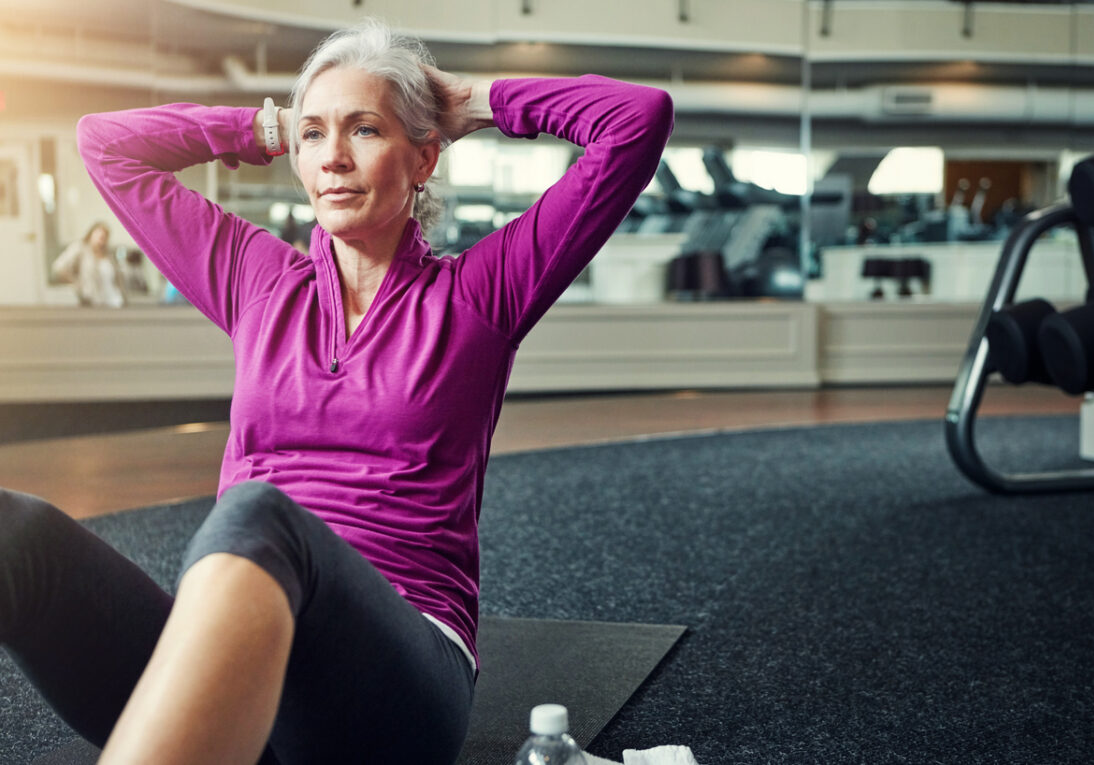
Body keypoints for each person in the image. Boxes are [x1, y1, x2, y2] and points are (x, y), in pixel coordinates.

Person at [0, 18, 672, 765]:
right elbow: (105, 144)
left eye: (365, 130)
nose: (335, 159)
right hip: (240, 655)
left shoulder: (481, 294)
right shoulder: (259, 281)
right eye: (315, 138)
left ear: (424, 159)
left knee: (257, 513)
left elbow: (634, 121)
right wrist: (272, 124)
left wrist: (475, 100)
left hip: (393, 687)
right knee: (15, 530)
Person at [50, 221, 127, 307]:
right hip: (92, 302)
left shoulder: (109, 255)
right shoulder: (80, 248)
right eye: (99, 235)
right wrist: (77, 283)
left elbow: (118, 280)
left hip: (115, 302)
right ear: (91, 234)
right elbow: (59, 267)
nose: (101, 238)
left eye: (104, 237)